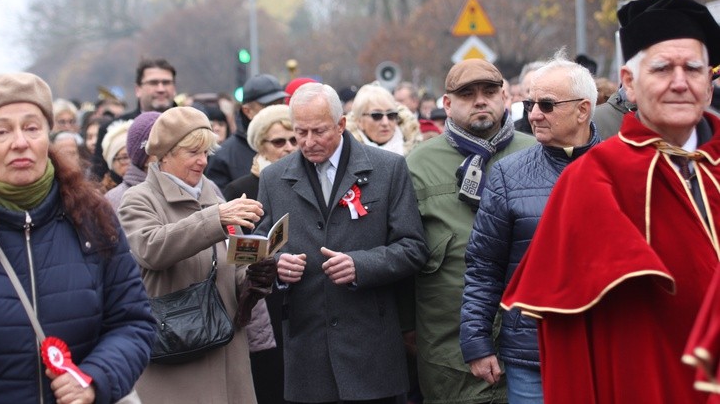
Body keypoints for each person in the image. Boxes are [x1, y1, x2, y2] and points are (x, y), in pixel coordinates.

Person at [501, 0, 720, 403]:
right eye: (662, 68)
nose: (679, 81)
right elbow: (569, 347)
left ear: (709, 84)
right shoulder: (591, 180)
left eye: (693, 68)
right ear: (630, 84)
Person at [0, 72, 155, 403]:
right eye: (2, 131)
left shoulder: (93, 217)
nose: (20, 142)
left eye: (32, 128)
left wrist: (93, 379)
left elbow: (132, 322)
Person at [255, 82, 429, 403]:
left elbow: (413, 247)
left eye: (319, 131)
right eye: (300, 133)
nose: (308, 142)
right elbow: (261, 251)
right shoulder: (273, 179)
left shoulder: (387, 169)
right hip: (308, 351)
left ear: (341, 124)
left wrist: (359, 265)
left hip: (370, 347)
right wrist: (278, 266)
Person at [460, 58, 600, 403]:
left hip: (604, 344)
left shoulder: (620, 167)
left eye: (547, 105)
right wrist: (476, 342)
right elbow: (484, 266)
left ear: (583, 110)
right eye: (530, 104)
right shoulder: (508, 174)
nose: (534, 114)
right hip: (531, 354)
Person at [117, 106, 275, 404]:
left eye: (206, 152)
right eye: (193, 152)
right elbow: (152, 249)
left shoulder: (212, 194)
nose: (203, 161)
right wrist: (215, 218)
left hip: (227, 348)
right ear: (164, 154)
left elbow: (229, 263)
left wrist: (253, 275)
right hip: (176, 355)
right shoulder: (138, 199)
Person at [405, 59, 535, 404]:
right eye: (467, 94)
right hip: (448, 349)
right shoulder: (417, 165)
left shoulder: (535, 154)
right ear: (447, 104)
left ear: (505, 97)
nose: (480, 100)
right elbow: (404, 251)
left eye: (489, 92)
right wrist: (407, 327)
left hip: (526, 345)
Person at [224, 104, 297, 404]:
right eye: (278, 142)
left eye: (293, 139)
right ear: (260, 146)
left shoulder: (306, 179)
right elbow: (233, 249)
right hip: (263, 301)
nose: (288, 148)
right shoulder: (241, 188)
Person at [92, 58, 178, 179]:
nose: (161, 89)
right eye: (153, 83)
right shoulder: (112, 129)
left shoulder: (192, 124)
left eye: (166, 82)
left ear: (174, 88)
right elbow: (98, 178)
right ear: (138, 90)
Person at [205, 74, 288, 189]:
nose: (276, 111)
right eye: (269, 106)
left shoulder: (296, 143)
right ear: (247, 111)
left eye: (280, 104)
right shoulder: (224, 156)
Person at [345, 82, 422, 156]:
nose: (385, 123)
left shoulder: (417, 151)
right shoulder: (346, 154)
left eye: (391, 115)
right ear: (359, 121)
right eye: (376, 115)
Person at [105, 111, 160, 211]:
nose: (170, 153)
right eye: (160, 146)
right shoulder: (117, 200)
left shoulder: (182, 189)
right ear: (146, 158)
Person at [100, 119, 133, 193]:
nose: (131, 163)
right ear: (111, 162)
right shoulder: (102, 196)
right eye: (124, 158)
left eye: (134, 156)